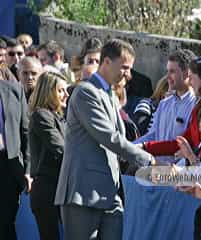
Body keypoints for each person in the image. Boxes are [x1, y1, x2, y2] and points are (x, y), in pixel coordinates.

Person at [54, 38, 158, 239]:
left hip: (110, 192)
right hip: (84, 193)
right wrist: (148, 159)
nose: (128, 74)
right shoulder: (86, 92)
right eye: (124, 67)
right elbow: (109, 137)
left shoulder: (109, 93)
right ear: (107, 62)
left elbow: (119, 138)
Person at [142, 57, 201, 160]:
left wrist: (190, 155)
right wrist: (144, 147)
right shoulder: (199, 107)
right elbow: (182, 142)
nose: (189, 82)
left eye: (191, 78)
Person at [135, 50, 197, 163]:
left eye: (172, 71)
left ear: (187, 73)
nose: (167, 76)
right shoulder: (164, 103)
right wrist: (130, 147)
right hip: (156, 169)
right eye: (167, 71)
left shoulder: (195, 105)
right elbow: (152, 135)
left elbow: (186, 145)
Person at [28, 72, 68, 240]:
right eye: (61, 90)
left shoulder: (60, 117)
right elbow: (61, 149)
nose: (66, 94)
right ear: (48, 92)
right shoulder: (41, 115)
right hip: (47, 189)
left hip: (60, 187)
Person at [0, 80, 30, 239]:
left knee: (6, 224)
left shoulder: (14, 90)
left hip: (8, 166)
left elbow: (26, 132)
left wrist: (28, 169)